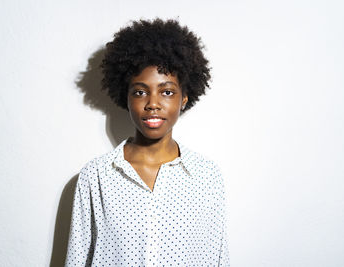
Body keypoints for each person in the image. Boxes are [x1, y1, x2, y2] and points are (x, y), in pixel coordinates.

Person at [65, 18, 230, 266]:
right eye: (140, 92)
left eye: (167, 92)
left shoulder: (207, 177)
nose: (153, 103)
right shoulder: (95, 177)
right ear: (126, 97)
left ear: (184, 98)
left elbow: (218, 260)